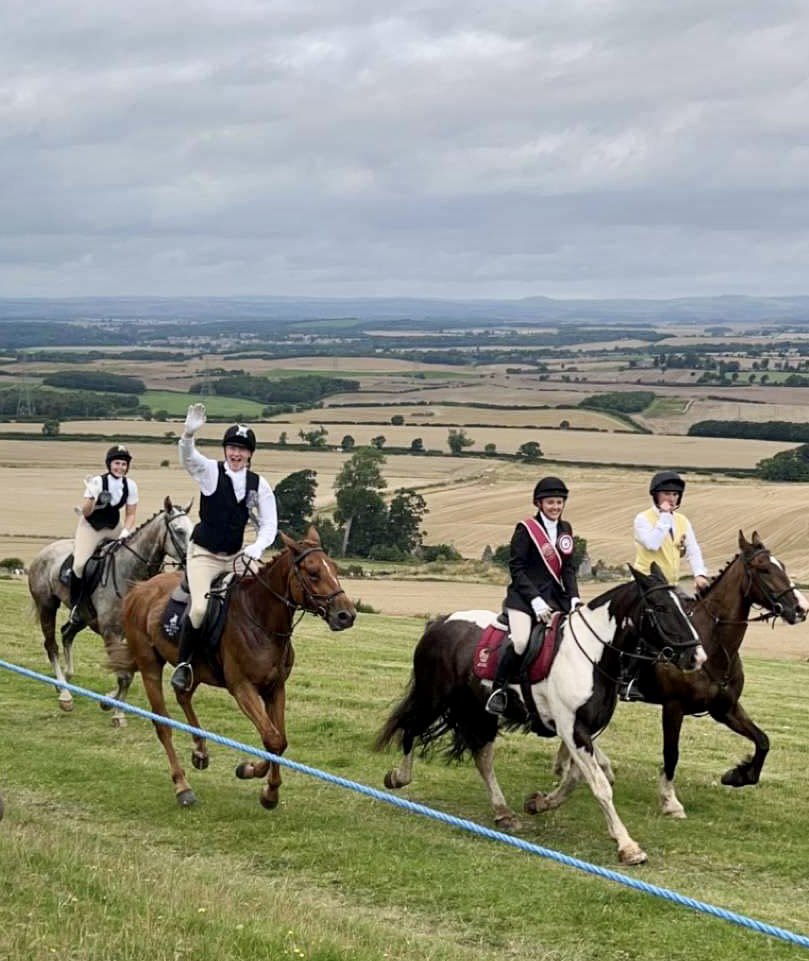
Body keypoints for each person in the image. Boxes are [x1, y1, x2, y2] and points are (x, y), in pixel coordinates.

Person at [170, 403, 278, 692]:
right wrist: (188, 435)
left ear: (250, 454)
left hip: (235, 556)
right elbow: (188, 458)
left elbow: (270, 524)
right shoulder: (210, 471)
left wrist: (257, 547)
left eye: (242, 449)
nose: (236, 453)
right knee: (199, 609)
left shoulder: (259, 485)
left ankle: (261, 653)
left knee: (262, 596)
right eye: (231, 447)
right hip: (204, 555)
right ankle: (184, 664)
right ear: (225, 450)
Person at [485, 476, 582, 715]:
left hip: (557, 599)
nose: (555, 507)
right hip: (524, 599)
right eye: (550, 502)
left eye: (559, 502)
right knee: (520, 642)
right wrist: (535, 600)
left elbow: (568, 568)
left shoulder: (566, 529)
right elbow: (516, 569)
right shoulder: (525, 529)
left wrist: (574, 598)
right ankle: (499, 690)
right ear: (539, 503)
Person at [63, 444, 138, 638]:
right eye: (116, 463)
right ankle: (76, 607)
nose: (120, 467)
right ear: (109, 464)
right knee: (80, 565)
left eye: (123, 464)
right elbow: (86, 512)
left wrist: (125, 532)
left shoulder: (130, 485)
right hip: (91, 527)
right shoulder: (97, 481)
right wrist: (91, 496)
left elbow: (131, 514)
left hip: (113, 526)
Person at [633, 470, 709, 591]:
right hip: (645, 585)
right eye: (667, 494)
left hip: (670, 585)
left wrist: (699, 574)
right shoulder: (642, 519)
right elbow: (652, 544)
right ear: (656, 495)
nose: (672, 498)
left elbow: (693, 550)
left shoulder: (682, 520)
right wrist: (665, 515)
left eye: (675, 494)